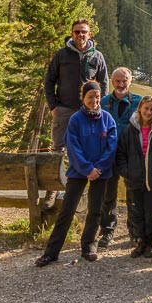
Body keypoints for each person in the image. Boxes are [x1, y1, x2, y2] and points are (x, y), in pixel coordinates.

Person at [35, 81, 117, 267]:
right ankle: (52, 252)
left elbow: (111, 146)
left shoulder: (107, 119)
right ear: (83, 98)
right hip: (79, 171)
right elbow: (73, 147)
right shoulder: (75, 120)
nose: (94, 100)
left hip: (101, 172)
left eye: (97, 97)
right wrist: (87, 169)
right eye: (90, 97)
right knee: (67, 211)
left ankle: (89, 246)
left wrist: (99, 168)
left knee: (95, 211)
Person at [42, 19, 107, 205]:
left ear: (90, 34)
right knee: (57, 150)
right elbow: (49, 81)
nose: (80, 35)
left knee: (85, 150)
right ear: (72, 34)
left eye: (83, 31)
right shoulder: (62, 55)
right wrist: (53, 105)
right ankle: (52, 190)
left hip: (88, 113)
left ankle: (79, 193)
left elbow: (104, 84)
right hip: (64, 109)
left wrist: (98, 107)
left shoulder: (97, 56)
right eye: (77, 31)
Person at [98, 67, 141, 248]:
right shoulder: (104, 101)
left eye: (124, 81)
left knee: (132, 193)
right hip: (108, 153)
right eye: (117, 81)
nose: (121, 84)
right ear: (112, 81)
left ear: (130, 81)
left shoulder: (139, 101)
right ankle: (107, 231)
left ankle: (134, 232)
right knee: (108, 194)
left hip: (131, 154)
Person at [116, 95, 152, 258]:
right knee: (136, 212)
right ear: (140, 109)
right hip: (134, 177)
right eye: (146, 108)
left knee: (151, 213)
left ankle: (151, 243)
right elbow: (120, 153)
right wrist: (126, 172)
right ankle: (140, 241)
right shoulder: (130, 130)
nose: (148, 112)